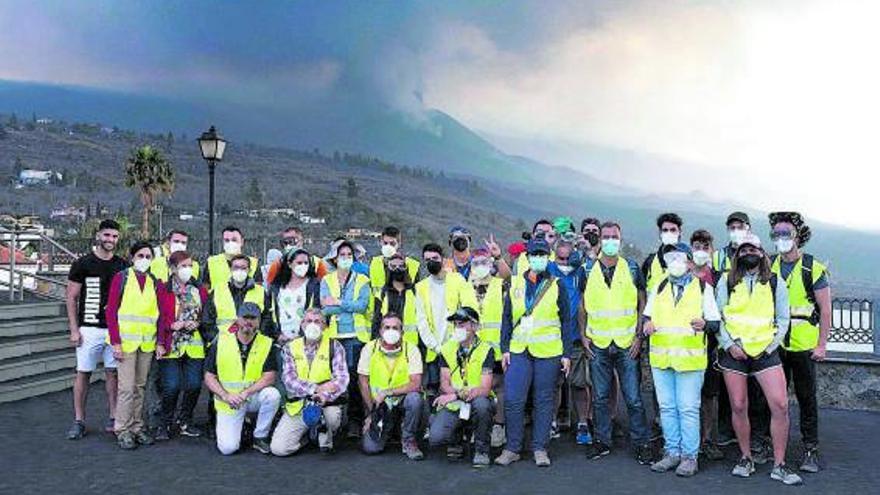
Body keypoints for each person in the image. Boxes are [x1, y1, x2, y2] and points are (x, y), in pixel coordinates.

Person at [716, 233, 803, 485]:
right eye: (742, 251)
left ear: (762, 252)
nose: (747, 254)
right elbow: (719, 316)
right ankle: (745, 457)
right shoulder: (726, 281)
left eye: (752, 249)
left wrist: (771, 345)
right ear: (737, 255)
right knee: (739, 405)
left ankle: (780, 464)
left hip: (765, 351)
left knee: (780, 405)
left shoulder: (776, 282)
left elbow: (783, 319)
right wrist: (729, 345)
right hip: (735, 353)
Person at [642, 243, 721, 477]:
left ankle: (689, 456)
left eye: (680, 258)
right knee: (667, 408)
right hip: (662, 357)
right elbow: (647, 315)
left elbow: (715, 322)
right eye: (671, 258)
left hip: (690, 360)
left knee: (687, 409)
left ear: (689, 262)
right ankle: (671, 452)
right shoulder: (659, 287)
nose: (675, 262)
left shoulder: (702, 287)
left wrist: (705, 324)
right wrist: (646, 324)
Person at [495, 238, 572, 468]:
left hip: (548, 352)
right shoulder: (515, 283)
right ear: (527, 258)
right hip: (519, 350)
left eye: (542, 254)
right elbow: (507, 318)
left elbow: (566, 321)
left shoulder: (557, 285)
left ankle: (540, 448)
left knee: (544, 400)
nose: (537, 258)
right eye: (534, 254)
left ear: (547, 257)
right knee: (513, 399)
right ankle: (512, 448)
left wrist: (566, 354)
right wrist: (505, 349)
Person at [581, 221, 653, 464]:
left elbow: (642, 301)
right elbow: (582, 304)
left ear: (620, 240)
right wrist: (583, 335)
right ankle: (602, 441)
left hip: (626, 343)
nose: (611, 240)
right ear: (600, 239)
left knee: (632, 397)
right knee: (600, 397)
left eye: (615, 237)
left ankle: (641, 443)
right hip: (598, 343)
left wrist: (638, 336)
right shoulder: (588, 269)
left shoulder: (632, 267)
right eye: (607, 236)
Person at [769, 211, 831, 473]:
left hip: (804, 346)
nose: (781, 238)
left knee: (806, 398)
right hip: (775, 344)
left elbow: (825, 309)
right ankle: (767, 445)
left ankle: (810, 449)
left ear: (797, 235)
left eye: (786, 233)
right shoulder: (769, 264)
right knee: (772, 399)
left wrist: (821, 344)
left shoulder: (812, 267)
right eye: (776, 234)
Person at [65, 219, 126, 440]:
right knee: (83, 373)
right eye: (107, 235)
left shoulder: (122, 265)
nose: (110, 240)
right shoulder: (83, 264)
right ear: (98, 235)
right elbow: (71, 297)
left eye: (115, 236)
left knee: (113, 374)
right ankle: (79, 420)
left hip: (114, 330)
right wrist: (74, 329)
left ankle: (114, 417)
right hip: (88, 328)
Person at [204, 302, 281, 455]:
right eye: (245, 317)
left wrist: (246, 393)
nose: (248, 322)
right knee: (228, 448)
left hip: (251, 397)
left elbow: (270, 377)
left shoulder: (267, 343)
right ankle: (243, 425)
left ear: (259, 321)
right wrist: (225, 395)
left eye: (253, 318)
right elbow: (209, 376)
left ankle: (260, 436)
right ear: (237, 319)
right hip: (229, 401)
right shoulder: (221, 341)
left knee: (273, 395)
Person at [271, 308, 349, 456]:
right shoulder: (290, 347)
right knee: (279, 449)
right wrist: (315, 389)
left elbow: (342, 379)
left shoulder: (335, 346)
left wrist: (324, 395)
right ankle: (306, 437)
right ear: (302, 324)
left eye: (317, 321)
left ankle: (327, 435)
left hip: (326, 403)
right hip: (298, 404)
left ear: (325, 326)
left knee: (332, 417)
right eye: (309, 321)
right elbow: (288, 379)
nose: (313, 325)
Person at [105, 241, 161, 449]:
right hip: (126, 344)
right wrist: (116, 342)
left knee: (139, 387)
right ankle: (123, 429)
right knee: (126, 388)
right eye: (141, 255)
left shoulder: (153, 281)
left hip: (146, 343)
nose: (144, 260)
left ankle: (137, 427)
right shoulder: (122, 278)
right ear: (132, 257)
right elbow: (111, 311)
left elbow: (155, 314)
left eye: (148, 256)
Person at [429, 307, 496, 468]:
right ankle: (456, 439)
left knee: (482, 406)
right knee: (435, 437)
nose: (458, 328)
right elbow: (445, 383)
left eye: (462, 324)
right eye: (456, 324)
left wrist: (456, 395)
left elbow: (485, 388)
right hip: (457, 402)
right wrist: (457, 395)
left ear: (474, 326)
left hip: (477, 400)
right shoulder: (447, 348)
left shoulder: (486, 350)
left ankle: (481, 450)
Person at [155, 250, 209, 441]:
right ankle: (165, 423)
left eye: (190, 265)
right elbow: (159, 317)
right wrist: (165, 334)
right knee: (171, 386)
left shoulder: (199, 290)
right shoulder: (163, 289)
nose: (187, 270)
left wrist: (198, 323)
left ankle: (185, 421)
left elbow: (205, 315)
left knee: (194, 385)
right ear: (173, 269)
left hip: (194, 344)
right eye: (183, 266)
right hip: (171, 344)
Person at [321, 240, 372, 438]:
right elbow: (325, 308)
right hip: (334, 336)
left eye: (349, 255)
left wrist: (339, 302)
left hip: (356, 337)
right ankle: (335, 420)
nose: (346, 258)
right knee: (335, 378)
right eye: (342, 255)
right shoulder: (327, 280)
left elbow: (362, 306)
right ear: (334, 258)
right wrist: (342, 305)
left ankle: (354, 421)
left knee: (353, 380)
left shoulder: (362, 281)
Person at [359, 313, 426, 460]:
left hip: (402, 401)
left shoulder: (411, 349)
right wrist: (371, 414)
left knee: (415, 399)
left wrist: (388, 392)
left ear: (402, 332)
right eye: (387, 327)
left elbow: (415, 384)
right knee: (371, 448)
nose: (391, 331)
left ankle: (408, 440)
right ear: (380, 331)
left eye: (395, 328)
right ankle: (389, 429)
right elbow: (363, 383)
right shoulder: (369, 349)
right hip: (380, 405)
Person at [415, 243, 478, 399]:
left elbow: (469, 309)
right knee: (433, 391)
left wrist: (455, 342)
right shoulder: (421, 287)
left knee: (459, 387)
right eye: (427, 259)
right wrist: (436, 347)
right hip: (434, 351)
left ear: (442, 259)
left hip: (458, 345)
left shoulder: (458, 280)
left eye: (435, 258)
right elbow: (421, 322)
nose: (432, 262)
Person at [549, 239, 592, 445]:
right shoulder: (546, 269)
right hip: (552, 338)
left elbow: (586, 300)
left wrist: (584, 334)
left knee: (579, 383)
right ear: (553, 254)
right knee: (554, 384)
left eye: (568, 258)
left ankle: (583, 423)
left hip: (575, 337)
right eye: (561, 257)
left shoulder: (580, 272)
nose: (564, 262)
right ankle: (552, 422)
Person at [467, 248, 508, 448]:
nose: (480, 266)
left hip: (497, 349)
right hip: (475, 350)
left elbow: (510, 276)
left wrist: (499, 257)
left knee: (499, 388)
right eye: (476, 263)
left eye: (484, 262)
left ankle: (499, 427)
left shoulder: (500, 286)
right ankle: (479, 427)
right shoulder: (464, 287)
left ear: (491, 265)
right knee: (478, 388)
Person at [690, 229, 725, 461]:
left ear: (712, 251)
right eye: (697, 246)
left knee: (710, 395)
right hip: (685, 344)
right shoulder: (680, 275)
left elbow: (724, 312)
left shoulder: (721, 278)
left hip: (712, 345)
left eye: (706, 247)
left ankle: (709, 440)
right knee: (688, 396)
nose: (701, 251)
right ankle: (689, 440)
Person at [269, 248, 322, 344]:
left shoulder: (314, 285)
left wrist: (302, 335)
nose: (303, 266)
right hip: (280, 340)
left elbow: (318, 311)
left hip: (305, 340)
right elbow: (269, 313)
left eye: (306, 263)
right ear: (289, 264)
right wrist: (277, 335)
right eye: (299, 263)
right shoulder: (276, 286)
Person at [372, 252, 418, 345]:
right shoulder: (381, 293)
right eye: (393, 266)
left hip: (411, 343)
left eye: (401, 266)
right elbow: (376, 321)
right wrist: (375, 342)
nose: (397, 269)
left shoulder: (415, 292)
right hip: (387, 342)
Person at [202, 226, 260, 292]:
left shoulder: (254, 263)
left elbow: (259, 290)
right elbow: (205, 289)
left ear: (242, 241)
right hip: (218, 301)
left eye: (234, 240)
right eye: (227, 240)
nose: (230, 243)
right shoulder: (211, 262)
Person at [369, 226, 420, 298]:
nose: (388, 246)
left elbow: (417, 293)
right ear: (381, 242)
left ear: (399, 244)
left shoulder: (412, 265)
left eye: (392, 244)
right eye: (385, 243)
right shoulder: (374, 263)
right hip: (381, 306)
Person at [444, 226, 512, 280]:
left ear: (469, 240)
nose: (460, 241)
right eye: (456, 238)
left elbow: (506, 277)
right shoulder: (445, 265)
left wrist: (498, 257)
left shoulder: (480, 261)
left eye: (463, 237)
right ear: (450, 242)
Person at [642, 212, 683, 293]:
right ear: (660, 233)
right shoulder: (650, 262)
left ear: (680, 232)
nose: (669, 233)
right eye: (665, 230)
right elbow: (641, 291)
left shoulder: (690, 262)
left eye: (673, 230)